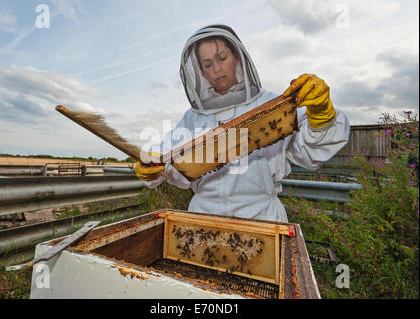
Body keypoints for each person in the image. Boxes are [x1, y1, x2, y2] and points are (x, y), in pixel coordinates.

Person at [135, 25, 350, 223]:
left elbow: (310, 151)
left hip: (262, 218)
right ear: (201, 71)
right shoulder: (193, 118)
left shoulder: (272, 105)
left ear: (236, 57)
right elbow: (166, 152)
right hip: (204, 217)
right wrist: (152, 161)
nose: (217, 68)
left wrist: (320, 115)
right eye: (208, 64)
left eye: (222, 58)